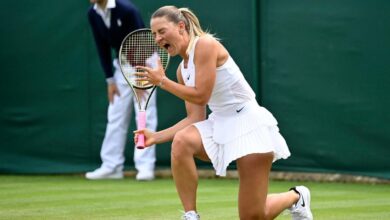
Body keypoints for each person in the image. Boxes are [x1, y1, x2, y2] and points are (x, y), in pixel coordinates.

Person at [135, 5, 313, 220]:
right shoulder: (182, 71)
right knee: (182, 141)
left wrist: (162, 81)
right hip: (218, 122)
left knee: (252, 216)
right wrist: (156, 136)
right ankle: (191, 215)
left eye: (162, 31)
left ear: (181, 26)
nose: (157, 38)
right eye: (154, 34)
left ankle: (296, 196)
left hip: (248, 123)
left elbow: (201, 95)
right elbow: (195, 118)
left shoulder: (206, 45)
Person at [86, 0, 157, 181]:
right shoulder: (93, 14)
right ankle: (111, 166)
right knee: (115, 115)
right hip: (121, 65)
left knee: (144, 115)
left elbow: (141, 41)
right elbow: (101, 47)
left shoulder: (127, 10)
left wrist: (140, 75)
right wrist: (110, 80)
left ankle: (145, 167)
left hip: (145, 62)